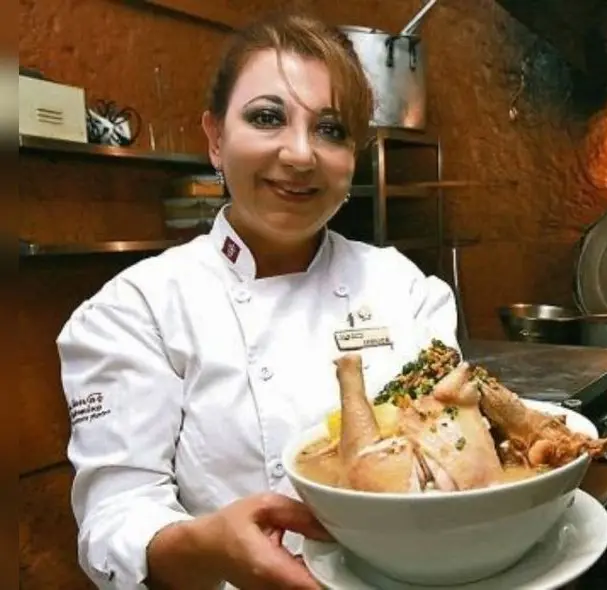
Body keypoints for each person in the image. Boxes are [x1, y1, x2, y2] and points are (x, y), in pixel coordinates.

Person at [56, 12, 459, 590]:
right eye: (268, 118)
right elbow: (115, 520)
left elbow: (448, 449)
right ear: (215, 139)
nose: (300, 155)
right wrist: (212, 549)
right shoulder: (134, 309)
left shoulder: (408, 289)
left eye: (331, 129)